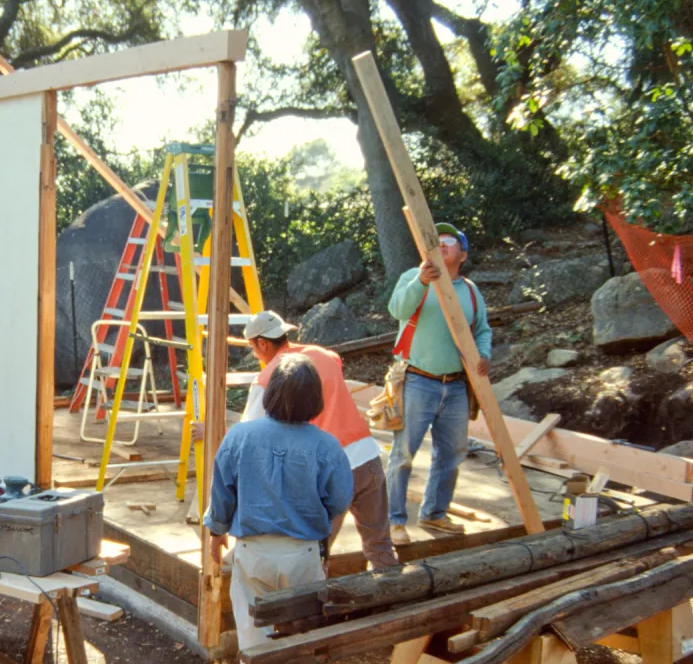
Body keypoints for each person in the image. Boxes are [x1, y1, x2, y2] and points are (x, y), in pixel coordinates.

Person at [203, 356, 353, 664]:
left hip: (253, 551)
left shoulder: (240, 436)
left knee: (255, 633)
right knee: (304, 628)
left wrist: (216, 534)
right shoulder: (327, 445)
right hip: (304, 553)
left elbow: (221, 495)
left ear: (270, 394)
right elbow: (338, 502)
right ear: (314, 399)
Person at [192, 310, 397, 569]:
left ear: (262, 343)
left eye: (253, 348)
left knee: (313, 555)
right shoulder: (325, 356)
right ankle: (391, 594)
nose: (255, 355)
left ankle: (309, 604)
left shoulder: (270, 378)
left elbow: (248, 438)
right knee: (380, 546)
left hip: (328, 468)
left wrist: (213, 433)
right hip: (368, 458)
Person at [385, 222, 491, 544]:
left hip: (457, 386)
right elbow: (397, 309)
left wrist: (483, 354)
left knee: (452, 454)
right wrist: (420, 280)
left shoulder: (471, 291)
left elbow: (483, 330)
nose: (442, 244)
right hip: (418, 380)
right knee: (403, 454)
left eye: (449, 240)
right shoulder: (413, 277)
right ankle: (394, 521)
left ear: (463, 254)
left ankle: (434, 514)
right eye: (437, 240)